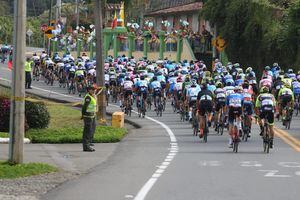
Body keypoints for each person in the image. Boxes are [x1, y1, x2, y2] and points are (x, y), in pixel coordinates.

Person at [81, 85, 97, 152]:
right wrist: (83, 115)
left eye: (94, 89)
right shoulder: (88, 97)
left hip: (92, 116)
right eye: (92, 89)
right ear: (89, 90)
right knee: (87, 131)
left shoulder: (91, 96)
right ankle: (86, 146)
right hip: (88, 116)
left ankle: (89, 143)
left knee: (91, 130)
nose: (94, 91)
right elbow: (84, 107)